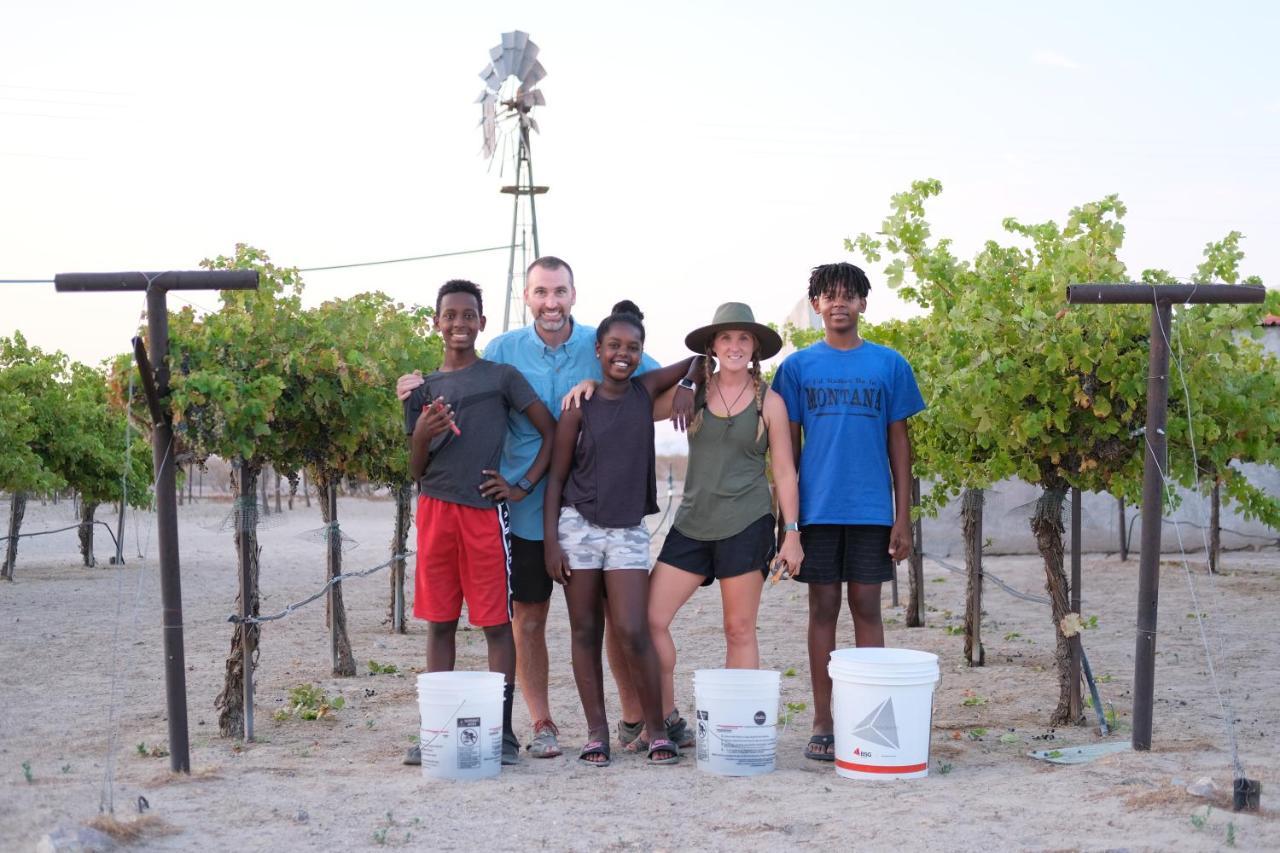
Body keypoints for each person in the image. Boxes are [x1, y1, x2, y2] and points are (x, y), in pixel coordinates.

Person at [397, 257, 697, 758]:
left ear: (574, 295)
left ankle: (634, 719)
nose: (551, 302)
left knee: (612, 621)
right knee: (528, 619)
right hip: (526, 515)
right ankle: (541, 723)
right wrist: (413, 392)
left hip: (595, 511)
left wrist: (687, 385)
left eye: (559, 291)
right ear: (527, 298)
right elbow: (457, 412)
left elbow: (648, 390)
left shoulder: (603, 343)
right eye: (541, 292)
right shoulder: (502, 352)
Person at [770, 262, 925, 762]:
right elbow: (786, 454)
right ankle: (822, 718)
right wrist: (788, 524)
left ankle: (870, 711)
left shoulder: (889, 365)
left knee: (867, 608)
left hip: (871, 510)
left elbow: (900, 445)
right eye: (829, 295)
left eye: (849, 295)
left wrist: (903, 516)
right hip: (816, 511)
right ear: (816, 305)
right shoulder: (796, 369)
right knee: (822, 610)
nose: (839, 303)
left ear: (863, 303)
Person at [402, 279, 556, 766]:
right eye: (450, 315)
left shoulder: (501, 377)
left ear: (482, 323)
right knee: (440, 622)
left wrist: (522, 485)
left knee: (495, 624)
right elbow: (416, 470)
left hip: (485, 514)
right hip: (434, 511)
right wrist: (422, 434)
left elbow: (549, 433)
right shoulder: (422, 390)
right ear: (436, 322)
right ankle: (437, 729)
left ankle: (502, 733)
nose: (459, 324)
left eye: (469, 315)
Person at [543, 301, 698, 766]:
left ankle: (655, 730)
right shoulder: (577, 408)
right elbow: (555, 479)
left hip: (629, 530)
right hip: (578, 529)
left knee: (633, 629)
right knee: (585, 630)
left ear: (642, 352)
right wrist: (552, 542)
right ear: (598, 350)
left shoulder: (644, 391)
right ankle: (596, 733)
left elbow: (698, 360)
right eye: (614, 346)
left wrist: (689, 384)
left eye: (633, 347)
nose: (623, 354)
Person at [646, 302, 804, 746]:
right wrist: (685, 376)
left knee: (738, 628)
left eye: (743, 338)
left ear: (754, 348)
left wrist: (792, 535)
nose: (734, 346)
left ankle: (737, 730)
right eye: (726, 338)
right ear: (712, 347)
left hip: (746, 522)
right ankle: (667, 720)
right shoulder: (691, 393)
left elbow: (786, 472)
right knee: (651, 619)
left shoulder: (770, 402)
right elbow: (633, 400)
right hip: (692, 523)